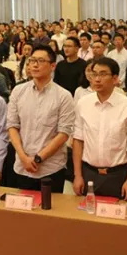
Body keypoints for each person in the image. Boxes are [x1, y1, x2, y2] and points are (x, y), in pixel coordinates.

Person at [73, 57, 127, 200]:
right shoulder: (83, 103)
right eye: (94, 74)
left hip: (118, 175)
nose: (97, 79)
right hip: (89, 173)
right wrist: (78, 175)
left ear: (115, 78)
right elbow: (78, 140)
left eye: (103, 74)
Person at [7, 45, 75, 192]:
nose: (35, 65)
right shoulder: (18, 91)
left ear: (52, 66)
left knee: (50, 206)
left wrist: (38, 158)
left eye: (40, 61)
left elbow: (63, 134)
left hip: (51, 168)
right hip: (22, 166)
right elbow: (12, 126)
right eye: (32, 60)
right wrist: (23, 157)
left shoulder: (64, 96)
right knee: (23, 204)